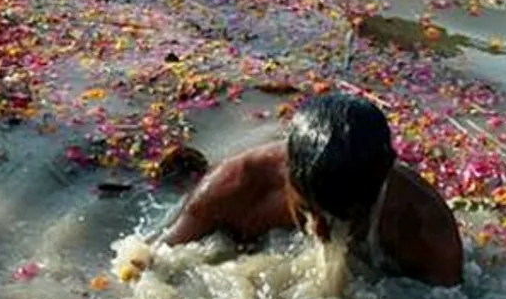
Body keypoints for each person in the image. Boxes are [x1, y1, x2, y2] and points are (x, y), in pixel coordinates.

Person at [158, 92, 464, 288]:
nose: (319, 230)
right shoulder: (237, 187)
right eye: (307, 211)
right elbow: (156, 261)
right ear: (287, 171)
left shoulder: (427, 231)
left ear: (383, 181)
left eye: (345, 218)